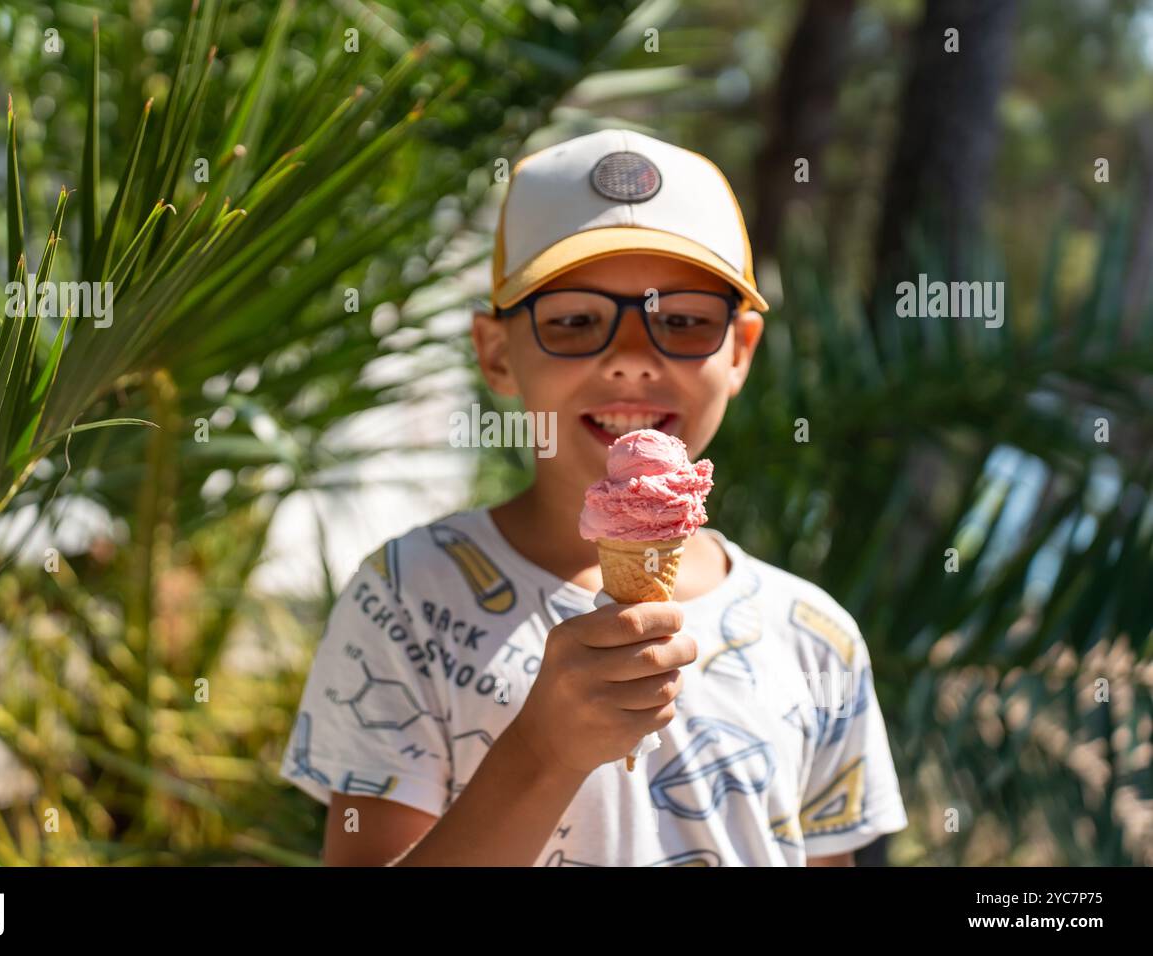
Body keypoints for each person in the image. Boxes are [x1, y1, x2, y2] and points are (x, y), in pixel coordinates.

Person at [280, 128, 908, 866]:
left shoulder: (815, 638)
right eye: (576, 320)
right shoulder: (406, 598)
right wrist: (543, 752)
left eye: (682, 320)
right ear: (496, 352)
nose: (633, 359)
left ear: (739, 351)